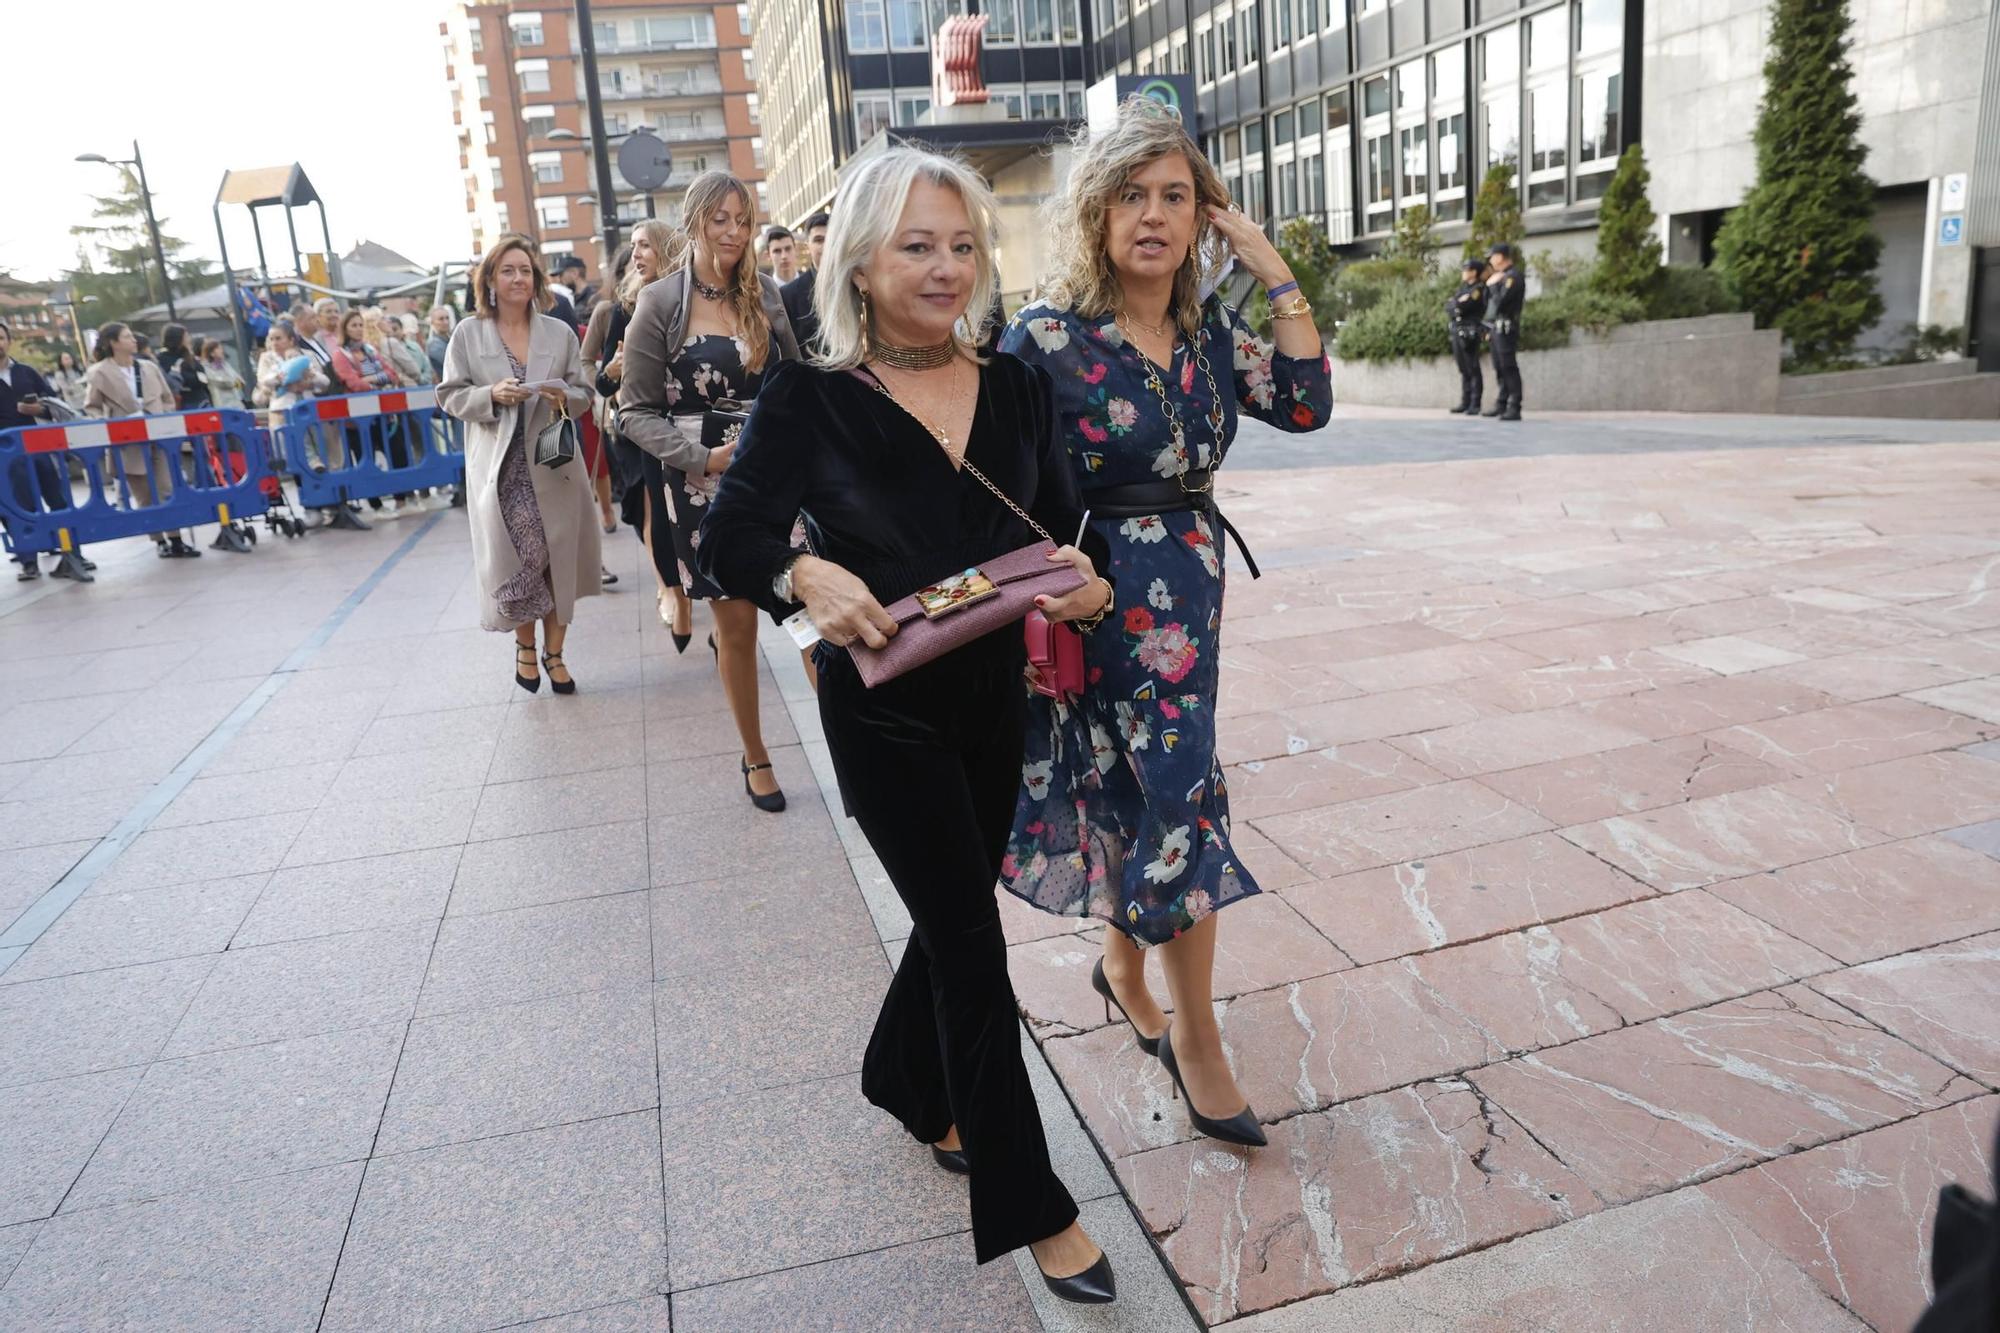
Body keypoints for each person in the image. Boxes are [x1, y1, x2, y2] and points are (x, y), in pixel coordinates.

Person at [697, 144, 1117, 1304]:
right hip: (883, 712)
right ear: (860, 263)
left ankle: (903, 1076)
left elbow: (1061, 515)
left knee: (952, 915)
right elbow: (722, 542)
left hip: (997, 698)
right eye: (916, 246)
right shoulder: (810, 394)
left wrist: (1084, 574)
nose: (944, 268)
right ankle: (1036, 1206)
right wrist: (803, 575)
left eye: (962, 245)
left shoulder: (1018, 382)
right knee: (973, 950)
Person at [998, 99, 1332, 1148]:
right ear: (1096, 211)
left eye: (1175, 198)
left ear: (1201, 216)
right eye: (1132, 195)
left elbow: (1305, 403)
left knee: (1158, 795)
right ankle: (1191, 1034)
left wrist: (1266, 263)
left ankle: (1137, 981)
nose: (1153, 216)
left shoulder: (1206, 330)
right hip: (1096, 596)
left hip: (1189, 587)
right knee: (1149, 797)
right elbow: (1005, 490)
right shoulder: (1045, 337)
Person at [618, 170, 800, 812]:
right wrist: (700, 456)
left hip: (777, 471)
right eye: (720, 219)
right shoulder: (661, 301)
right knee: (739, 622)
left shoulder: (765, 294)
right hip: (702, 480)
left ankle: (849, 744)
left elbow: (796, 382)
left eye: (743, 220)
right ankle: (755, 754)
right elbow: (632, 411)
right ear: (695, 221)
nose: (733, 232)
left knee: (811, 615)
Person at [438, 232, 600, 693]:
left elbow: (584, 395)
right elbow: (449, 395)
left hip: (554, 462)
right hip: (500, 467)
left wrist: (561, 394)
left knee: (558, 557)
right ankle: (525, 646)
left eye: (525, 270)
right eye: (507, 270)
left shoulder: (559, 332)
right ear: (489, 280)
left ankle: (555, 654)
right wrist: (490, 393)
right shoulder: (469, 333)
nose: (517, 278)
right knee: (526, 555)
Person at [587, 222, 694, 640]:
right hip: (637, 429)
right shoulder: (625, 309)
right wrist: (611, 370)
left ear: (667, 250)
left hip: (688, 428)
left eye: (644, 245)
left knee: (684, 516)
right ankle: (673, 594)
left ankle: (696, 594)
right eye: (633, 247)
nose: (635, 254)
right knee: (652, 512)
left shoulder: (693, 301)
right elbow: (603, 383)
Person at [83, 321, 201, 559]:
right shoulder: (99, 372)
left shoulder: (149, 367)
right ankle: (159, 540)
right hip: (128, 442)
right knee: (145, 494)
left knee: (167, 488)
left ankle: (176, 539)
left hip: (158, 436)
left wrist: (163, 417)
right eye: (126, 337)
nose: (133, 341)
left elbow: (168, 397)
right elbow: (91, 406)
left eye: (132, 337)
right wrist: (110, 425)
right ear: (112, 343)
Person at [0, 323, 90, 580]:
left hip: (39, 446)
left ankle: (72, 553)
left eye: (2, 338)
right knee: (19, 505)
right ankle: (29, 561)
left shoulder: (26, 372)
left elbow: (54, 403)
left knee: (57, 498)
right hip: (6, 455)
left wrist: (39, 410)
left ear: (9, 340)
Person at [780, 209, 829, 356]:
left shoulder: (859, 283)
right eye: (819, 240)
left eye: (832, 238)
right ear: (808, 245)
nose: (826, 245)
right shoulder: (789, 295)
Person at [1483, 242, 1524, 421]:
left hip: (1507, 327)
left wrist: (1493, 286)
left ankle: (1514, 406)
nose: (1491, 260)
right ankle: (1502, 402)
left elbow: (1501, 302)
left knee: (1508, 366)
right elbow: (1489, 305)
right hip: (1496, 327)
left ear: (1500, 257)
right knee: (1499, 366)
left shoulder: (1512, 277)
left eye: (1492, 256)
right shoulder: (1500, 277)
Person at [255, 319, 330, 413]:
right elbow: (263, 381)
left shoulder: (307, 355)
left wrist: (309, 381)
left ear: (291, 340)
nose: (274, 343)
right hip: (281, 410)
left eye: (278, 338)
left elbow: (324, 383)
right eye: (271, 339)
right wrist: (279, 379)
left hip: (308, 407)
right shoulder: (266, 358)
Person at [1446, 257, 1488, 414]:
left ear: (1474, 272)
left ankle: (1475, 403)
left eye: (1466, 270)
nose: (1463, 273)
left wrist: (1458, 305)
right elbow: (1450, 306)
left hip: (1470, 331)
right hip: (1457, 330)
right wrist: (1457, 304)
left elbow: (1466, 306)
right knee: (1463, 367)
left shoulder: (1478, 289)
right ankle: (1465, 401)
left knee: (1472, 366)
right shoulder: (1463, 288)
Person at [158, 323, 207, 409]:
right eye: (186, 336)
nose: (189, 339)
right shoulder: (163, 358)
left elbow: (202, 375)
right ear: (178, 338)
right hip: (183, 402)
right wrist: (192, 378)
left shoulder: (189, 355)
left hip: (201, 399)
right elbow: (173, 381)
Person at [386, 313, 433, 387]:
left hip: (422, 388)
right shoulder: (386, 350)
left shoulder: (415, 346)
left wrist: (420, 381)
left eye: (395, 329)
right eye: (388, 330)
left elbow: (427, 368)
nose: (392, 333)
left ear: (402, 329)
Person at [200, 338, 247, 409]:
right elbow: (222, 383)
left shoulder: (225, 365)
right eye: (218, 348)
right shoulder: (206, 368)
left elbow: (241, 382)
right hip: (222, 405)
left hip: (237, 403)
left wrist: (234, 384)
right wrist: (233, 383)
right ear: (211, 353)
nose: (222, 350)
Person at [546, 255, 585, 335]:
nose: (559, 279)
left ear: (574, 273)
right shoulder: (570, 298)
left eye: (561, 275)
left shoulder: (592, 300)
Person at [426, 304, 456, 379]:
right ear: (432, 322)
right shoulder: (433, 344)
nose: (446, 322)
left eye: (447, 318)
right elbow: (453, 364)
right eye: (441, 319)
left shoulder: (450, 339)